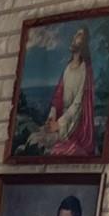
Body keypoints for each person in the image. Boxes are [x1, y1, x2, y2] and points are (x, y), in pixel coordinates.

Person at [39, 28, 98, 158]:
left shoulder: (85, 70)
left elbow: (78, 103)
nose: (74, 36)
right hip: (62, 116)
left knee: (61, 150)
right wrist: (52, 116)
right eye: (75, 33)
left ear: (84, 41)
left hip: (74, 120)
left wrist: (59, 124)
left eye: (79, 35)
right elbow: (58, 94)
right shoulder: (67, 67)